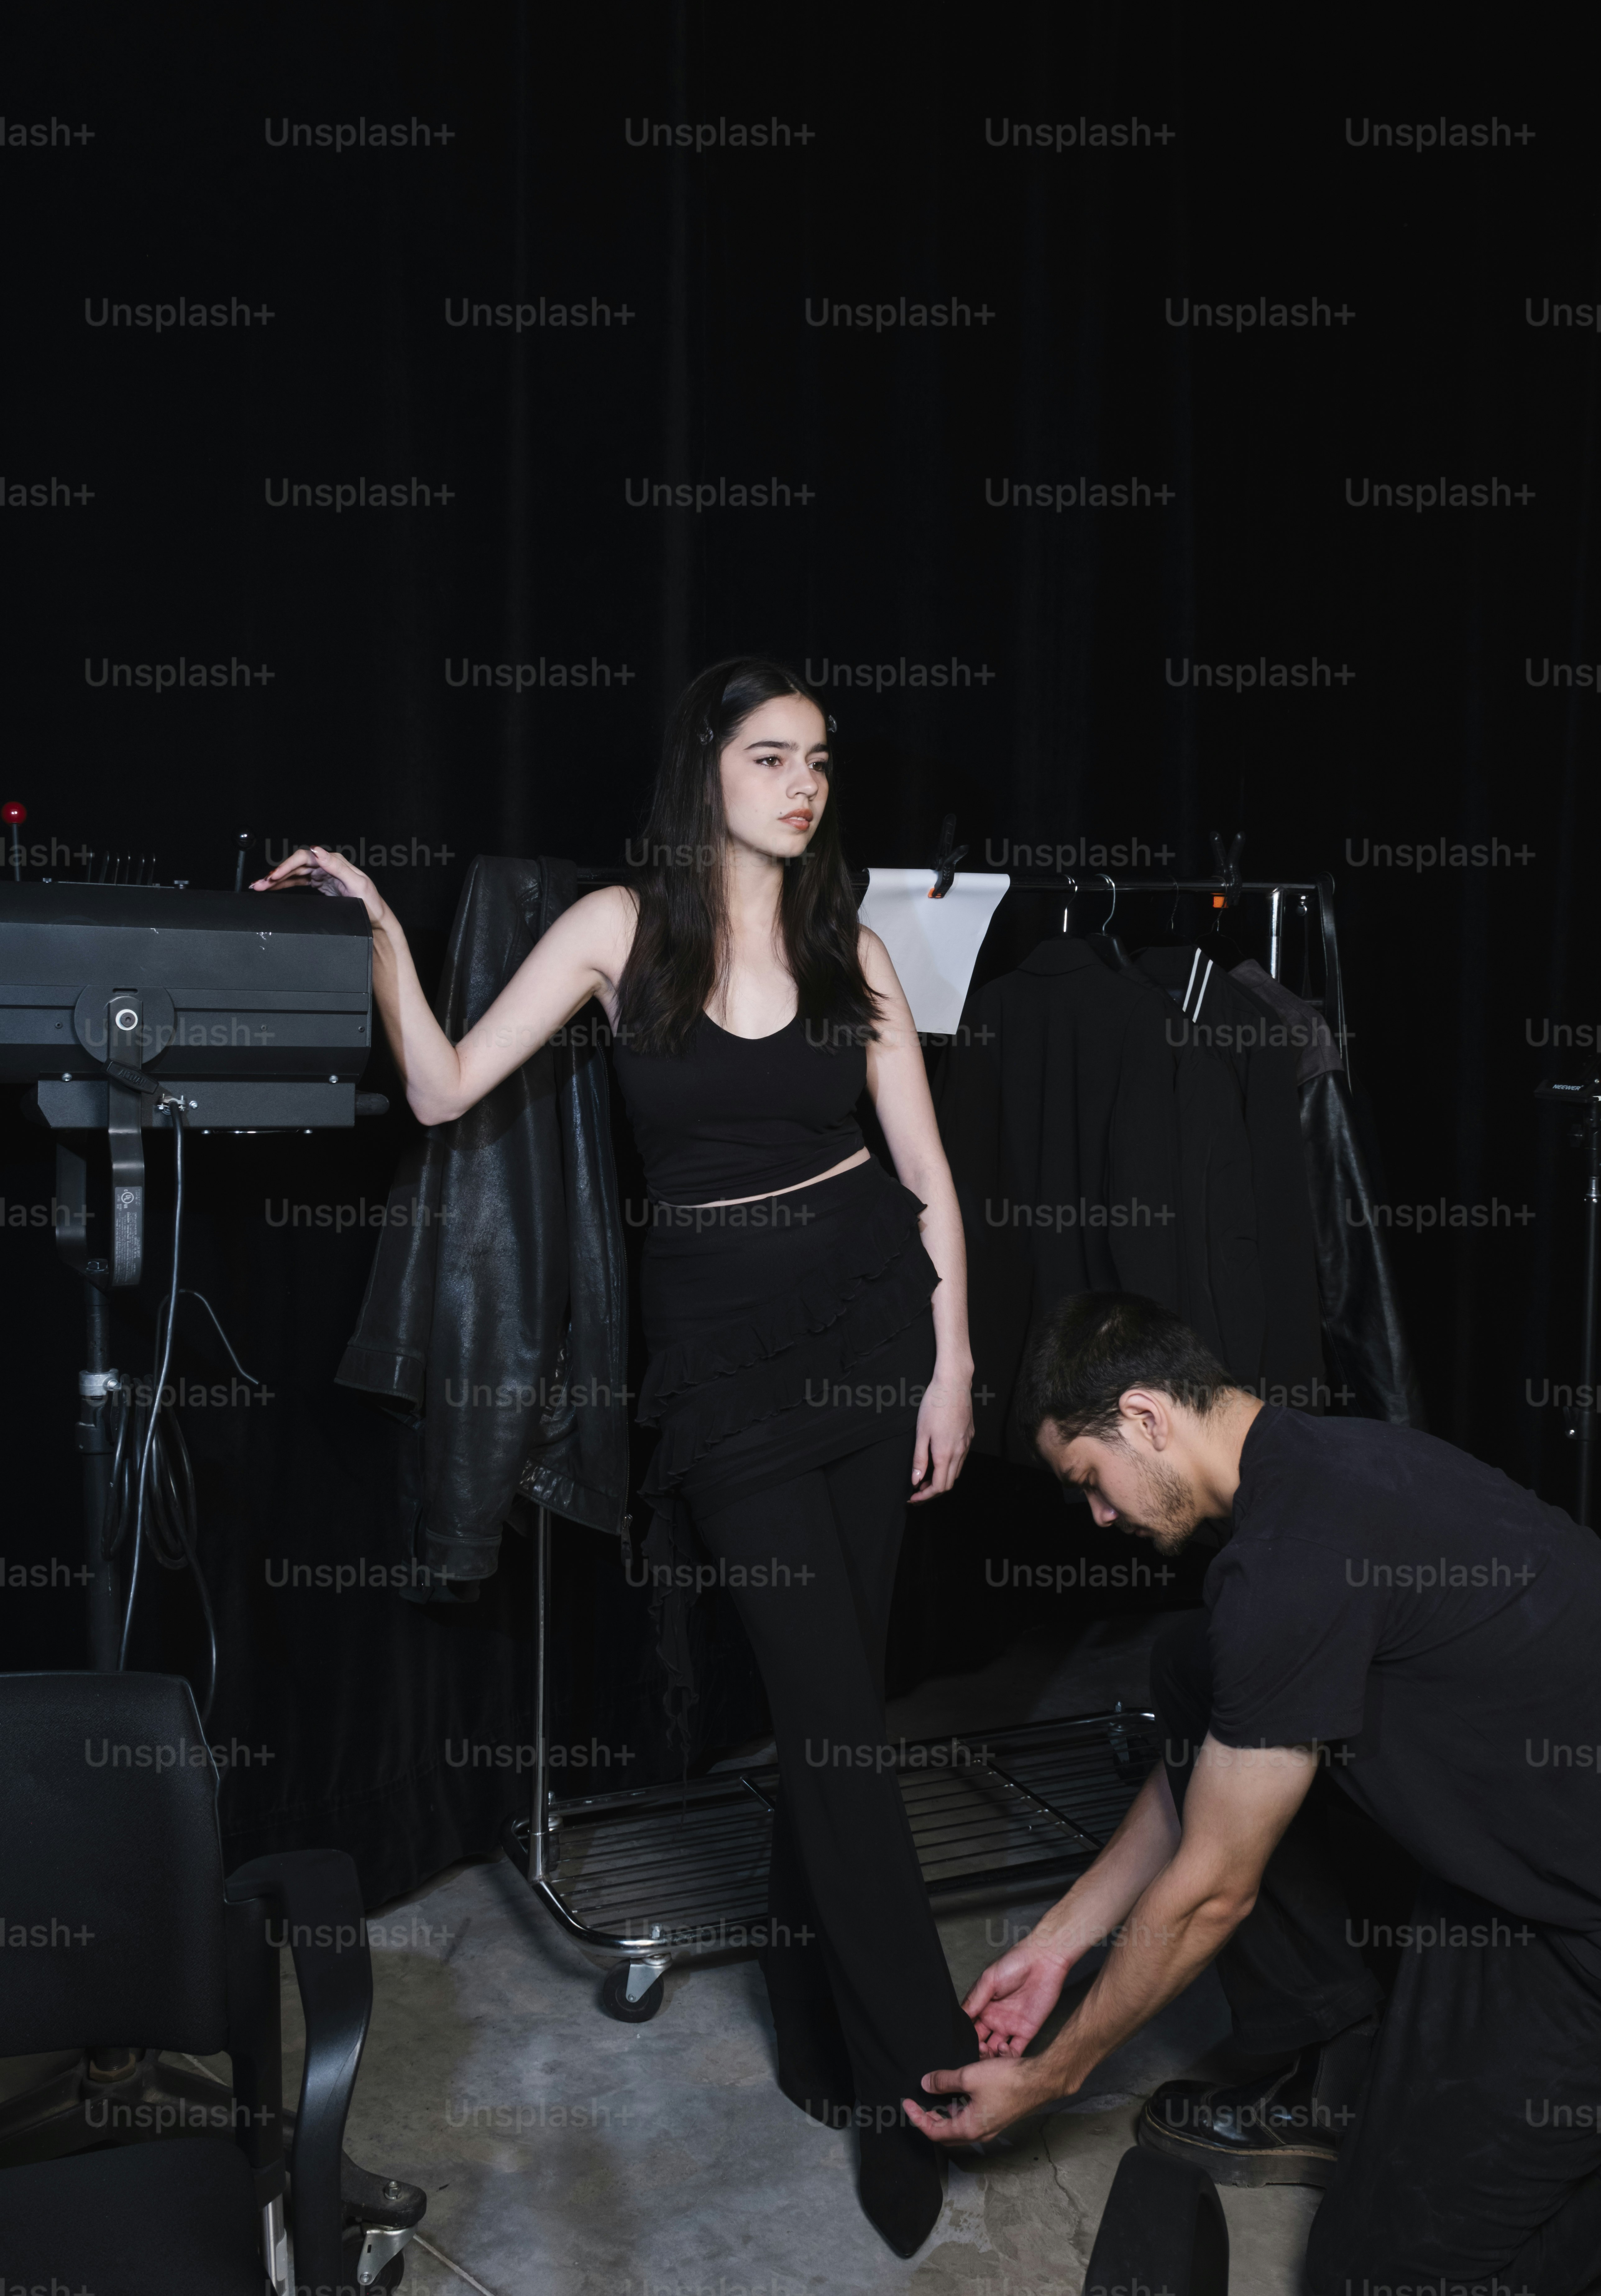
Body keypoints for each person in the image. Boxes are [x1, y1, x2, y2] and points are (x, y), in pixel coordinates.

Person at [253, 655, 981, 2256]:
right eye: (772, 757)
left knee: (829, 1709)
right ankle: (922, 2080)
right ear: (702, 772)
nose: (805, 785)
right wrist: (385, 933)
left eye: (821, 760)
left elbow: (926, 1172)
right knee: (834, 1723)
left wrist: (955, 1362)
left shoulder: (849, 947)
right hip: (723, 1381)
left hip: (873, 1332)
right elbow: (442, 1089)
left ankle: (819, 2043)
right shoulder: (611, 930)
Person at [907, 1289, 1601, 2294]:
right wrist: (1059, 1944)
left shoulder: (1290, 1570)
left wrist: (1056, 2075)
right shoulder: (1329, 1464)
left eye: (1091, 1481)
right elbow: (1212, 1759)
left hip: (1575, 1926)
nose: (1098, 1516)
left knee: (1377, 2274)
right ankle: (1336, 2061)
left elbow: (1211, 1891)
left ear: (1145, 1416)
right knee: (1197, 1666)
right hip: (1531, 1853)